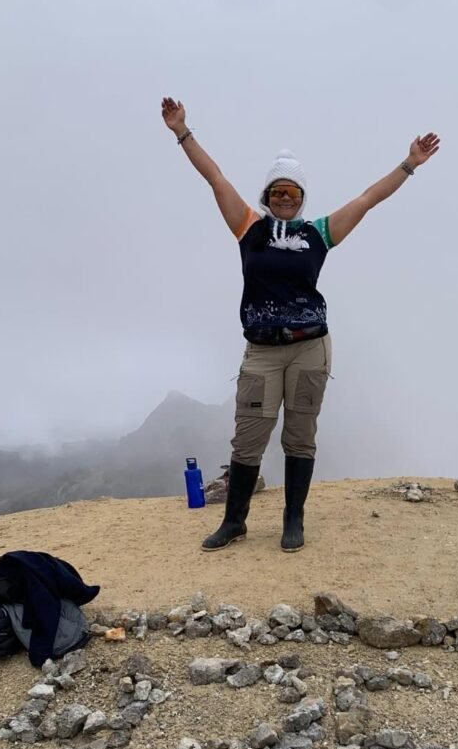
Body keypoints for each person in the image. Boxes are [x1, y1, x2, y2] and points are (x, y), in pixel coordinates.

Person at [161, 96, 439, 552]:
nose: (284, 199)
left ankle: (294, 520)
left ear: (303, 198)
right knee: (248, 438)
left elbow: (368, 200)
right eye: (277, 192)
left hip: (311, 346)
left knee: (299, 435)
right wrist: (182, 132)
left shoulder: (318, 234)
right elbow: (215, 179)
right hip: (262, 351)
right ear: (266, 197)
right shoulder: (249, 228)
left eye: (292, 193)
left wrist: (408, 165)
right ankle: (235, 521)